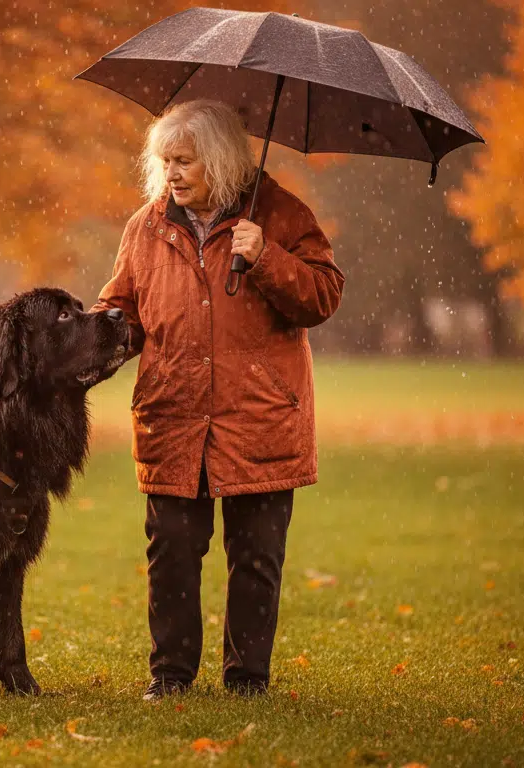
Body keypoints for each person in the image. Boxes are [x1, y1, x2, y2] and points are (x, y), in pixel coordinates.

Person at [92, 98, 344, 699]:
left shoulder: (280, 214)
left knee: (256, 559)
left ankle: (247, 679)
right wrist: (84, 352)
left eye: (186, 161)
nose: (172, 173)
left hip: (259, 417)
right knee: (172, 554)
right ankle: (170, 677)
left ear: (223, 160)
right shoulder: (147, 227)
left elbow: (323, 297)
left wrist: (268, 258)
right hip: (173, 417)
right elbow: (121, 310)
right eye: (166, 161)